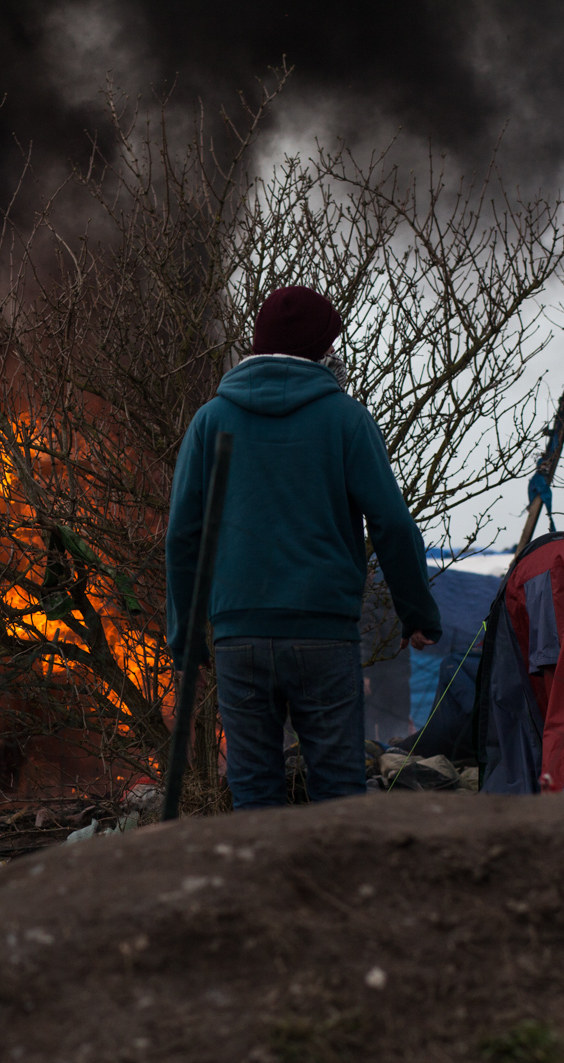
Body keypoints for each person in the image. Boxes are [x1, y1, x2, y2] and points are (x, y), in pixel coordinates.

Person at [167, 286, 442, 808]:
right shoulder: (346, 420)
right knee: (338, 789)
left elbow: (184, 536)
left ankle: (265, 887)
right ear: (319, 349)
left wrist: (186, 641)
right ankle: (337, 888)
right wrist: (417, 613)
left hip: (239, 636)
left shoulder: (210, 422)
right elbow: (391, 522)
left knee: (253, 791)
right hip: (323, 634)